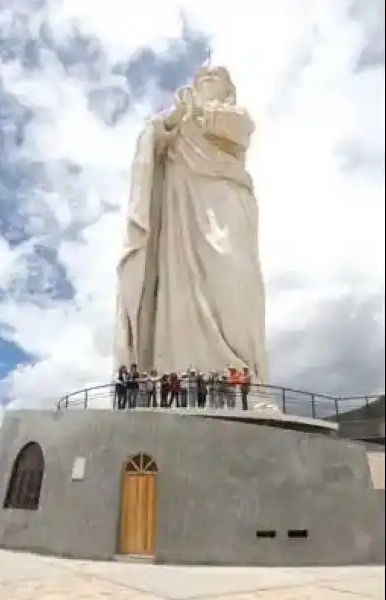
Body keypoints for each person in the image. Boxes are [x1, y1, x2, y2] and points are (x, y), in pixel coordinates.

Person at [113, 65, 269, 382]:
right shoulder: (176, 124)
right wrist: (170, 120)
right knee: (177, 288)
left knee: (232, 277)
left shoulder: (234, 115)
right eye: (200, 78)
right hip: (179, 212)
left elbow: (238, 132)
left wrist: (199, 111)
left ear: (228, 89)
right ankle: (174, 373)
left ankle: (243, 379)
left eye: (215, 77)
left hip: (225, 201)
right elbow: (151, 144)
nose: (205, 80)